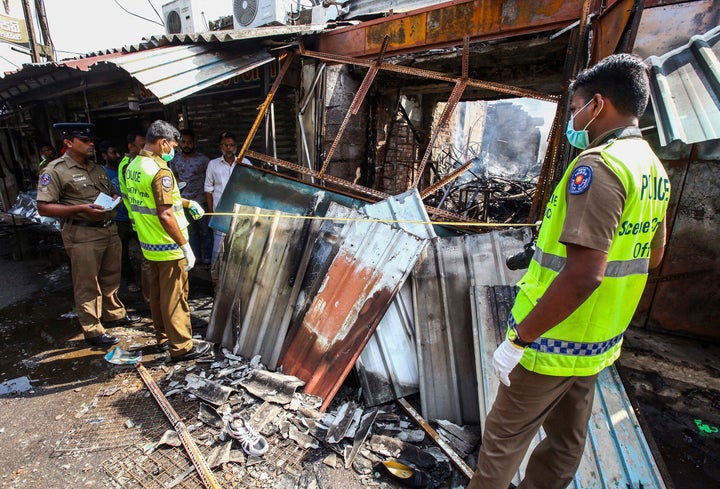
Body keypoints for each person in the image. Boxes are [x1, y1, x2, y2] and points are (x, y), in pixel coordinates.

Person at [467, 54, 671, 489]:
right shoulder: (653, 169)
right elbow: (652, 256)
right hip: (595, 345)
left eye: (576, 105)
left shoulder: (598, 167)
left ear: (598, 104)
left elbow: (583, 275)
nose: (573, 118)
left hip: (548, 341)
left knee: (502, 445)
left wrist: (520, 339)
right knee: (564, 446)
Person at [36, 123, 140, 347]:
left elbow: (111, 193)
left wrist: (114, 200)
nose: (91, 144)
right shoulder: (56, 170)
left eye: (91, 140)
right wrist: (79, 209)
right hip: (81, 232)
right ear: (68, 142)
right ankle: (92, 329)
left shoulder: (97, 168)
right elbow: (44, 207)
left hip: (108, 229)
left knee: (111, 276)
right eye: (84, 140)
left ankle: (113, 314)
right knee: (87, 282)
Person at [123, 120, 211, 361]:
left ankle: (163, 338)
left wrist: (186, 202)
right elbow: (164, 213)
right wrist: (185, 246)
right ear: (162, 143)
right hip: (169, 246)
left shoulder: (134, 165)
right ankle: (182, 346)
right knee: (176, 298)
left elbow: (152, 201)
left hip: (149, 244)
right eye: (173, 145)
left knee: (159, 296)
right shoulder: (160, 171)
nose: (175, 149)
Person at [204, 131, 252, 280]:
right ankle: (216, 281)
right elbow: (208, 190)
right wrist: (211, 213)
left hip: (241, 214)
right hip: (221, 215)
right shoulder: (213, 165)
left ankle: (234, 281)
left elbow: (251, 188)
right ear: (221, 147)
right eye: (225, 145)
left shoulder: (245, 163)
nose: (229, 148)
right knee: (218, 251)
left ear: (236, 146)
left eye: (231, 145)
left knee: (239, 248)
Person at [100, 140, 142, 294]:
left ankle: (147, 284)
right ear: (104, 155)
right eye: (113, 153)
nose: (117, 156)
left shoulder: (128, 167)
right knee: (122, 252)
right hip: (119, 218)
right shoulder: (102, 174)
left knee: (145, 252)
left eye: (118, 152)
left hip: (135, 217)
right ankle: (130, 280)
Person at [169, 129, 211, 266]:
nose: (187, 145)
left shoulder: (204, 160)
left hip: (200, 201)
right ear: (180, 143)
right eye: (184, 142)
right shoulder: (175, 159)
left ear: (194, 143)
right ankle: (195, 258)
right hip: (183, 202)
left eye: (189, 142)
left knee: (205, 231)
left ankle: (207, 259)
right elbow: (173, 175)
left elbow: (210, 179)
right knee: (190, 231)